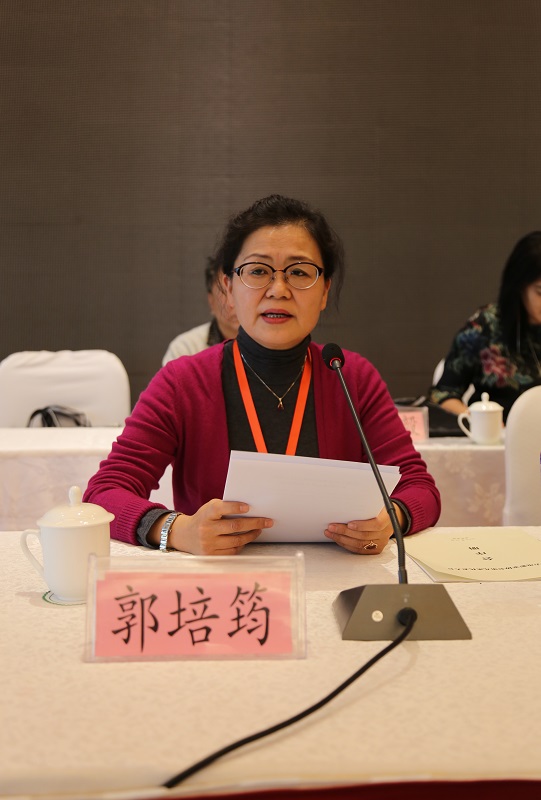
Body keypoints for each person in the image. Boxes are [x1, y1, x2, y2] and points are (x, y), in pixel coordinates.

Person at [84, 194, 440, 556]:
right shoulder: (182, 382)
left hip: (335, 576)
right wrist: (175, 530)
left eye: (299, 272)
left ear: (324, 291)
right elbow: (104, 492)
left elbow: (418, 487)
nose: (278, 290)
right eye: (257, 271)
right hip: (221, 580)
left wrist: (390, 518)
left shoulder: (351, 377)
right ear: (228, 288)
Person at [430, 231, 541, 422]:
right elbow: (442, 395)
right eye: (540, 292)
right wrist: (485, 426)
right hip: (499, 437)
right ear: (519, 286)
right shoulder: (486, 327)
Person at [162, 256, 239, 364]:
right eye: (224, 292)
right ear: (211, 301)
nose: (234, 303)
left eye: (239, 291)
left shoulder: (265, 342)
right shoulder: (186, 349)